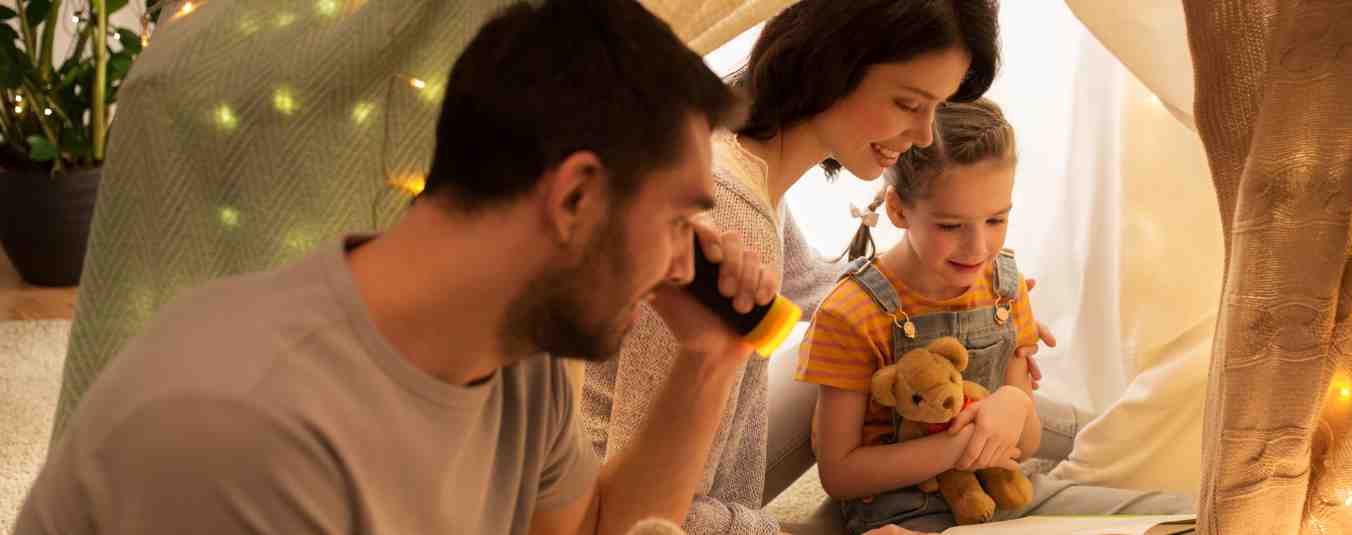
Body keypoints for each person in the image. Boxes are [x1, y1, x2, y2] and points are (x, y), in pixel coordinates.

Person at [13, 2, 775, 534]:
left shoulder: (516, 357)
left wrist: (710, 355)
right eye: (678, 219)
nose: (686, 260)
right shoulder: (243, 429)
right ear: (574, 194)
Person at [579, 2, 1033, 535]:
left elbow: (818, 292)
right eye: (909, 103)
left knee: (955, 374)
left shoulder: (739, 163)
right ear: (830, 65)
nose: (926, 135)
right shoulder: (726, 211)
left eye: (935, 107)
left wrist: (972, 299)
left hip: (696, 480)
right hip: (626, 505)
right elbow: (644, 520)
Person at [799, 100, 1194, 535]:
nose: (978, 247)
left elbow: (1023, 447)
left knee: (1190, 515)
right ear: (898, 211)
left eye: (996, 219)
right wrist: (962, 446)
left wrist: (1016, 405)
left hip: (1005, 494)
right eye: (951, 226)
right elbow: (840, 474)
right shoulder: (849, 315)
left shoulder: (1004, 286)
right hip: (904, 515)